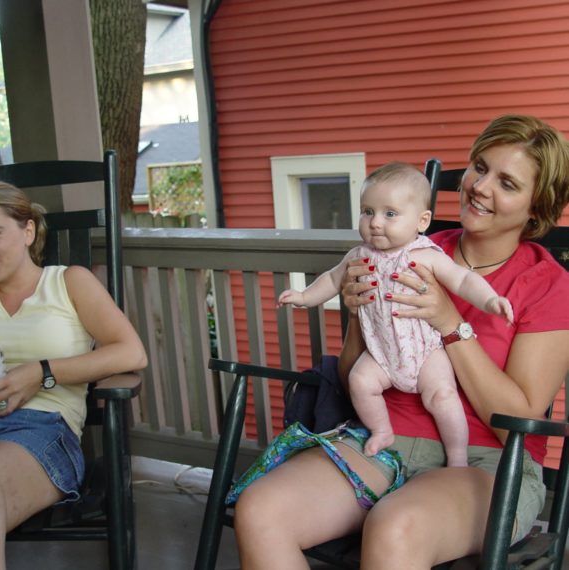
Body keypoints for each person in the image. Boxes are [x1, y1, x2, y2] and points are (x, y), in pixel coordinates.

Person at [232, 115, 569, 569]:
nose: (481, 186)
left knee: (395, 527)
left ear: (537, 208)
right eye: (480, 167)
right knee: (260, 510)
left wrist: (451, 324)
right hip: (383, 440)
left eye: (507, 183)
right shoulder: (402, 243)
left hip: (485, 461)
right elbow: (356, 374)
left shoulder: (549, 285)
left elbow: (517, 422)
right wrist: (357, 313)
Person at [278, 162, 513, 464]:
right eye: (367, 211)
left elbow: (463, 279)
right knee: (360, 382)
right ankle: (382, 430)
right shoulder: (359, 255)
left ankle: (457, 457)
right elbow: (332, 279)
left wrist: (491, 300)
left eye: (390, 214)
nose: (375, 223)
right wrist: (304, 296)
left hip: (425, 351)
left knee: (443, 396)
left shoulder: (424, 255)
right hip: (381, 353)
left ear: (421, 220)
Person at [0, 183, 147, 570]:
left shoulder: (67, 282)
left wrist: (43, 373)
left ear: (28, 231)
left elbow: (131, 352)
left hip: (42, 430)